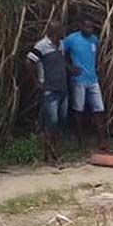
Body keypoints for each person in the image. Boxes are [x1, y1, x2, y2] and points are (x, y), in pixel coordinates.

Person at [63, 15, 110, 152]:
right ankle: (81, 141)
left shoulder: (94, 39)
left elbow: (95, 57)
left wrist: (95, 68)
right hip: (79, 80)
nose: (89, 29)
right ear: (81, 26)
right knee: (79, 110)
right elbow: (60, 53)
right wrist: (70, 68)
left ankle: (102, 141)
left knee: (99, 109)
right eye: (87, 26)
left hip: (93, 79)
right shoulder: (72, 39)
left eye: (91, 27)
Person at [26, 22, 67, 166]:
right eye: (61, 30)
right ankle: (48, 156)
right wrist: (37, 82)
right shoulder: (41, 46)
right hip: (49, 90)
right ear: (53, 32)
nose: (63, 32)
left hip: (62, 88)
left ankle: (54, 152)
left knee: (60, 120)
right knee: (51, 122)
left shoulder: (61, 44)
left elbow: (60, 62)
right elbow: (29, 62)